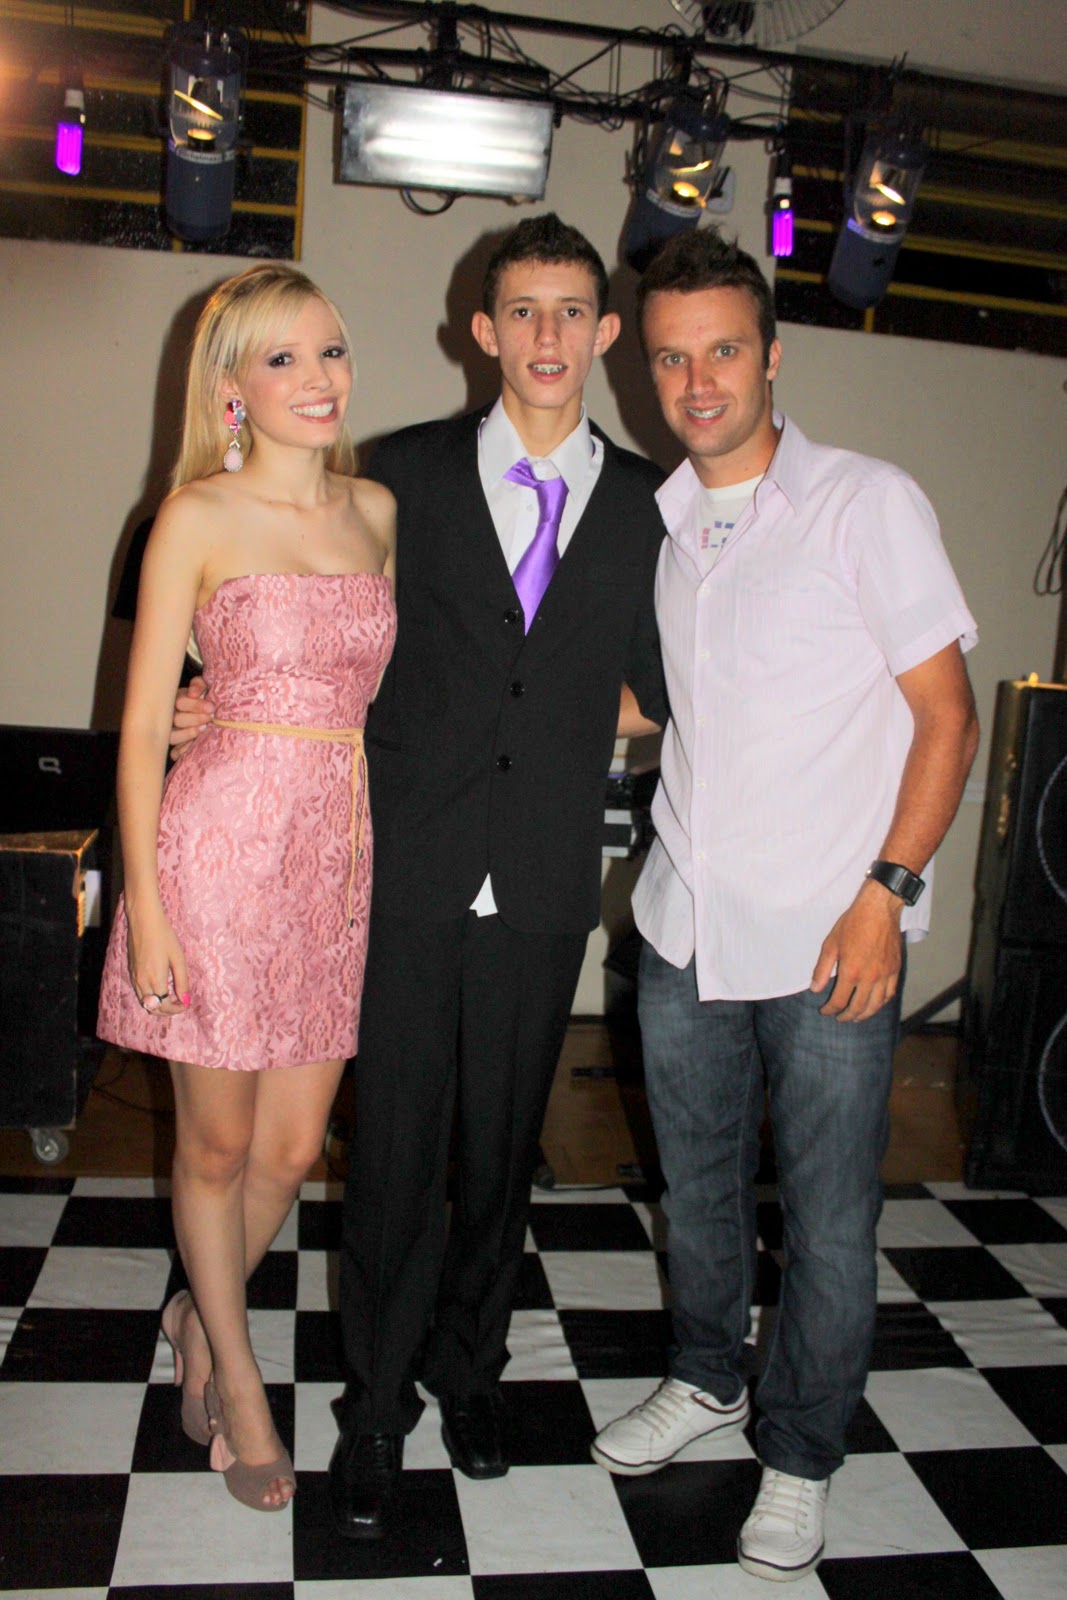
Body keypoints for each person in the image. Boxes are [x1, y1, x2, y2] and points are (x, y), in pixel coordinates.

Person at [172, 213, 669, 1539]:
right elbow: (281, 624)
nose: (548, 335)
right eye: (524, 310)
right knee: (389, 1152)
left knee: (500, 1155)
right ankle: (376, 1405)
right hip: (394, 862)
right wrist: (193, 705)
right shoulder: (393, 478)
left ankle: (471, 1371)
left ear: (604, 333)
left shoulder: (647, 505)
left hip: (543, 871)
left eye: (572, 311)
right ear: (481, 329)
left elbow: (660, 681)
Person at [589, 229, 979, 1583]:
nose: (695, 381)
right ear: (645, 373)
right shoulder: (660, 527)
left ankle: (801, 1450)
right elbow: (665, 704)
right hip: (684, 924)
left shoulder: (864, 501)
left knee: (824, 1217)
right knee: (694, 1192)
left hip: (830, 938)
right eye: (669, 358)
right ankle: (706, 1377)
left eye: (721, 351)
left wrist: (887, 894)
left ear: (770, 356)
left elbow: (945, 717)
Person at [97, 263, 397, 1512]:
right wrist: (148, 909)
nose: (317, 378)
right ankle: (237, 1373)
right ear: (231, 388)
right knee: (215, 1145)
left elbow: (362, 691)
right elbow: (137, 731)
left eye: (329, 350)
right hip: (212, 858)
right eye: (282, 358)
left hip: (331, 860)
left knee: (289, 1148)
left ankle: (191, 1311)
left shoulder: (375, 511)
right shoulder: (195, 516)